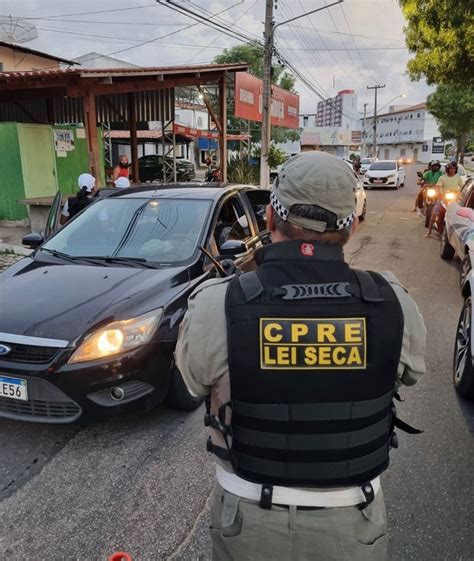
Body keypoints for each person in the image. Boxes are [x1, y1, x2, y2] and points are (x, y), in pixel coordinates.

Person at [176, 151, 426, 561]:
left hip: (250, 521)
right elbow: (412, 372)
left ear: (271, 219)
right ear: (354, 225)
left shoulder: (218, 303)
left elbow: (193, 380)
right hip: (352, 522)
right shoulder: (390, 301)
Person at [425, 162, 464, 237]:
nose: (452, 170)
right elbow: (438, 187)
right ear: (447, 169)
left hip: (454, 199)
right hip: (442, 198)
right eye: (451, 168)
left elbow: (461, 188)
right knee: (434, 213)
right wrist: (441, 194)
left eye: (454, 169)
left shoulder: (458, 178)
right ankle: (429, 231)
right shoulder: (442, 177)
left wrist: (458, 194)